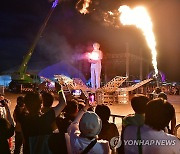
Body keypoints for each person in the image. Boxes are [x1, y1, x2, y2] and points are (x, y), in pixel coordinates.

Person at [19, 88, 66, 154]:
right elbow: (63, 103)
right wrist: (59, 89)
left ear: (26, 105)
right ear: (41, 104)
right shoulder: (46, 118)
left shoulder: (23, 119)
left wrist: (35, 94)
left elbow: (24, 140)